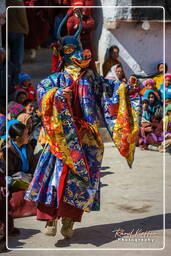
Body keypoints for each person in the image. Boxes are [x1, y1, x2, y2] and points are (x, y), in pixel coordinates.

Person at [25, 8, 140, 239]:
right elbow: (42, 96)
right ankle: (49, 220)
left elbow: (110, 92)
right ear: (64, 54)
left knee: (78, 181)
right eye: (72, 50)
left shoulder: (91, 78)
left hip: (85, 138)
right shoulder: (54, 79)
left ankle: (69, 221)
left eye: (79, 50)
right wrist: (57, 95)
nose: (79, 54)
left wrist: (127, 89)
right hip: (60, 137)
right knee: (53, 177)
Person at [7, 0, 29, 72]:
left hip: (8, 31)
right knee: (18, 58)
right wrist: (26, 29)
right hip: (18, 31)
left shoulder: (6, 2)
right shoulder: (18, 2)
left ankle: (11, 76)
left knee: (11, 57)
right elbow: (22, 18)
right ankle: (16, 77)